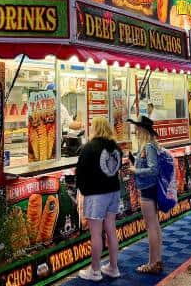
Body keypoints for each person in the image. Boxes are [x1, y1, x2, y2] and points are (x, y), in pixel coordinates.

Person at [76, 117, 122, 281]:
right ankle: (113, 267)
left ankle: (95, 271)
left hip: (96, 194)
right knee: (111, 230)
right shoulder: (116, 147)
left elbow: (80, 172)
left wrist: (84, 190)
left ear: (95, 128)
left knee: (95, 234)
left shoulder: (90, 147)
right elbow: (118, 168)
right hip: (114, 192)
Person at [127, 116, 163, 274]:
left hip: (148, 189)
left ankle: (152, 263)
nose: (135, 130)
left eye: (136, 128)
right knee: (154, 225)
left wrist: (136, 170)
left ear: (142, 129)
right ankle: (157, 260)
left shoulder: (148, 146)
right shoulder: (148, 145)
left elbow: (154, 169)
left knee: (151, 227)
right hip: (150, 189)